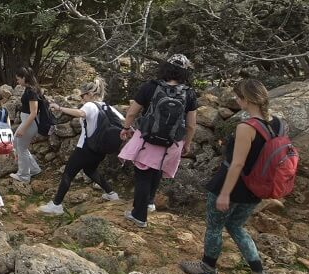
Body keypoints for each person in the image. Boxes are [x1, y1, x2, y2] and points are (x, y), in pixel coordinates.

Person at [179, 79, 276, 274]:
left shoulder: (246, 127)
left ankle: (208, 267)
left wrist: (224, 193)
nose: (236, 100)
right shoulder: (276, 124)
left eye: (238, 97)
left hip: (231, 185)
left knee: (214, 226)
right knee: (236, 226)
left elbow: (238, 164)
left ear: (247, 99)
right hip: (255, 189)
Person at [118, 54, 198, 228]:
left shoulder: (150, 87)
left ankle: (139, 216)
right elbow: (191, 125)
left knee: (142, 175)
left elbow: (132, 112)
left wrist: (126, 128)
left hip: (147, 138)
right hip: (172, 142)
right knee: (156, 170)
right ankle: (149, 202)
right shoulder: (189, 93)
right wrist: (187, 143)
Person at [38, 78, 122, 215]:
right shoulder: (107, 106)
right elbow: (123, 122)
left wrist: (59, 108)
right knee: (90, 170)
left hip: (85, 148)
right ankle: (111, 193)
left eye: (82, 96)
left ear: (89, 94)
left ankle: (56, 205)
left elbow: (81, 113)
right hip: (100, 150)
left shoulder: (90, 105)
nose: (82, 99)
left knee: (68, 174)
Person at [10, 67, 49, 183]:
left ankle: (24, 175)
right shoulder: (30, 89)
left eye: (18, 79)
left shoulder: (31, 91)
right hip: (27, 122)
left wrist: (23, 128)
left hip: (29, 123)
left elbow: (33, 113)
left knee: (21, 147)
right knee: (16, 143)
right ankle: (34, 169)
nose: (17, 81)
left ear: (24, 78)